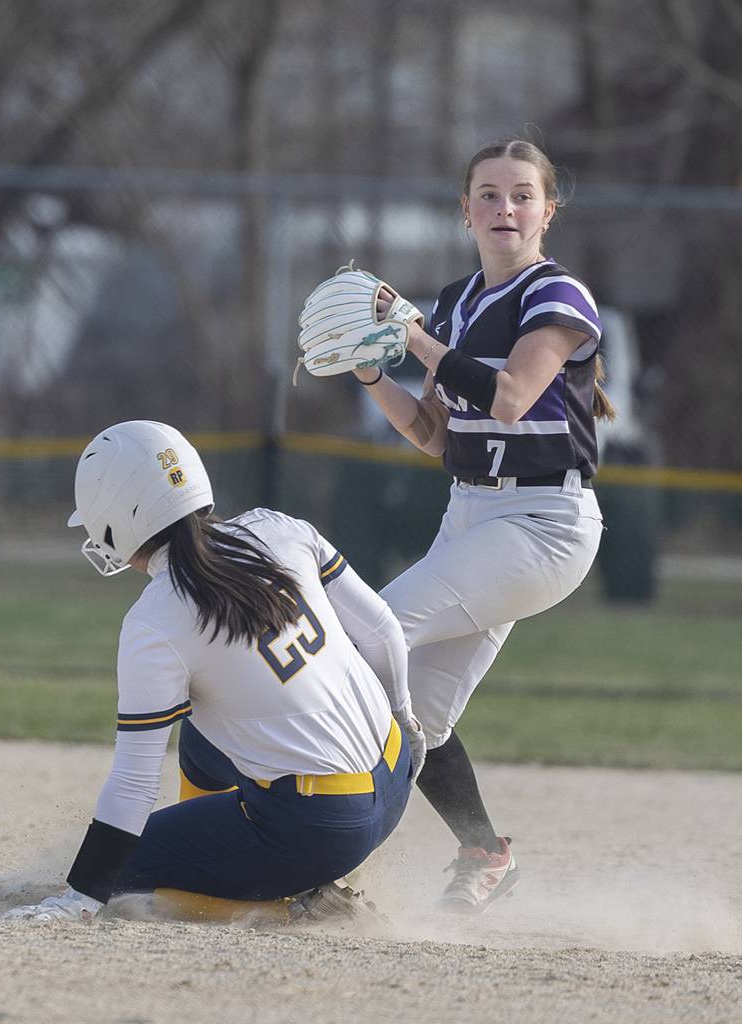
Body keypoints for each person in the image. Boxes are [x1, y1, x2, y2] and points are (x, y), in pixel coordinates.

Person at [6, 420, 424, 923]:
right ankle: (245, 846)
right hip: (396, 773)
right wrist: (406, 719)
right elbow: (383, 631)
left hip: (323, 829)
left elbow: (134, 785)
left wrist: (81, 896)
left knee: (117, 876)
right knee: (200, 740)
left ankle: (287, 907)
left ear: (116, 517)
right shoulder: (277, 527)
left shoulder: (155, 620)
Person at [344, 138, 613, 912]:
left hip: (542, 521)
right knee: (417, 714)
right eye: (488, 195)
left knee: (372, 635)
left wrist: (413, 336)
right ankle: (485, 852)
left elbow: (511, 398)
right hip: (469, 513)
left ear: (547, 211)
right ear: (464, 211)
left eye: (522, 195)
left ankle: (303, 835)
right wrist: (371, 373)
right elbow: (434, 433)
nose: (505, 208)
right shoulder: (457, 302)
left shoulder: (556, 296)